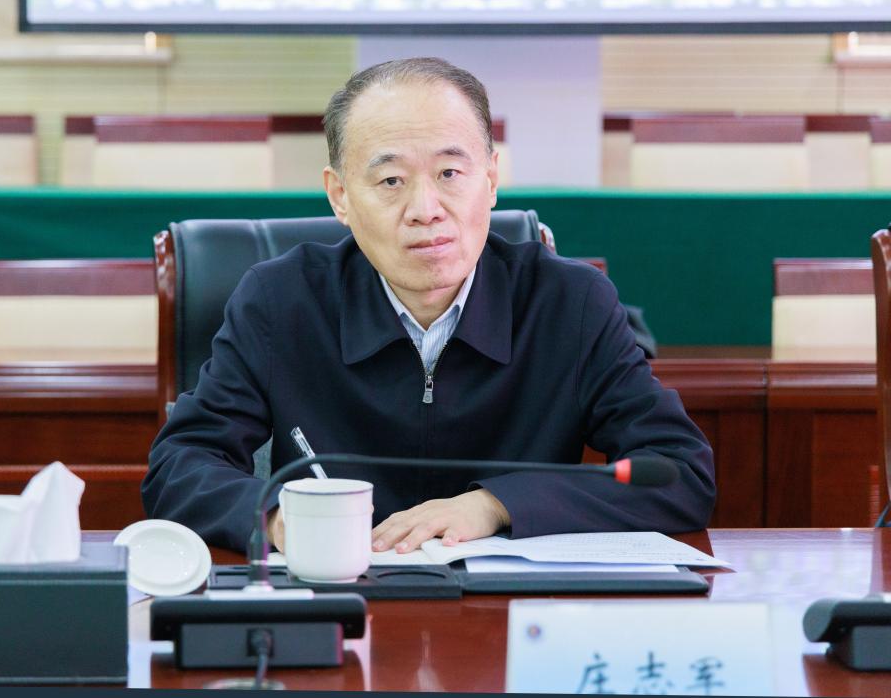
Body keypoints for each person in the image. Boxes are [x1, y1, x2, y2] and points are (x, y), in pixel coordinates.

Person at [143, 57, 715, 554]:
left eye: (450, 173)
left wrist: (496, 505)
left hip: (506, 621)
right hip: (343, 605)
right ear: (340, 196)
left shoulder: (569, 303)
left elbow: (678, 470)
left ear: (491, 180)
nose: (426, 208)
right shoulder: (281, 302)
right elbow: (180, 465)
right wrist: (275, 519)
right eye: (391, 181)